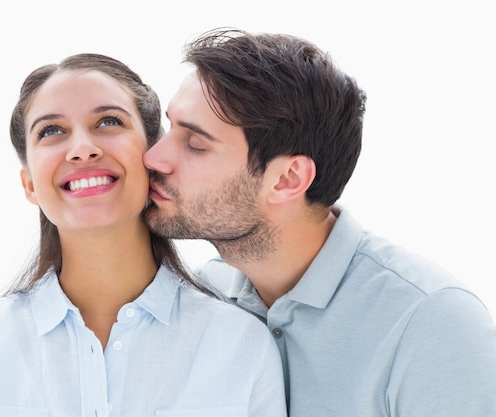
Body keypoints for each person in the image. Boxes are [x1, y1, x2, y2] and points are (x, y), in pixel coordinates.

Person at [143, 28, 496, 416]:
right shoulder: (202, 297)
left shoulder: (431, 324)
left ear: (288, 179)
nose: (154, 158)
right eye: (170, 127)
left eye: (195, 144)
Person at [0, 53, 287, 417]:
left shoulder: (242, 345)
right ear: (29, 184)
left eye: (109, 121)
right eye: (51, 131)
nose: (82, 149)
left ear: (153, 157)